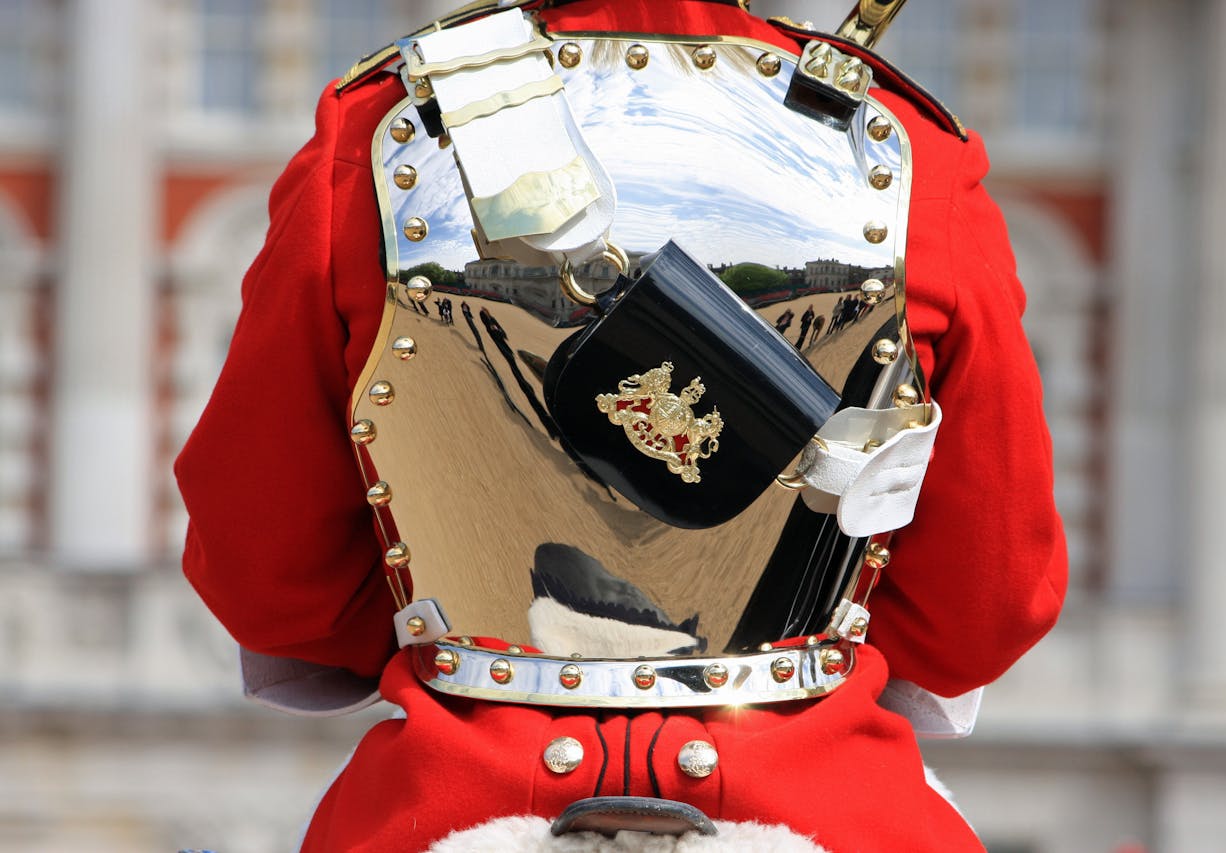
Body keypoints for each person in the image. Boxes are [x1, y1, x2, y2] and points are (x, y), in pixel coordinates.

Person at [176, 1, 1066, 850]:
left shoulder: (380, 131)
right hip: (818, 791)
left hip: (448, 796)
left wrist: (453, 617)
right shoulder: (910, 153)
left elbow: (268, 571)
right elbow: (989, 597)